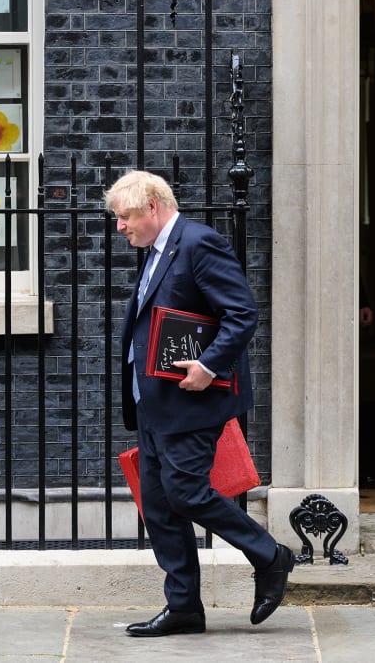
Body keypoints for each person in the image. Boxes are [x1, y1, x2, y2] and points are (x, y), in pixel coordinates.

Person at [104, 170, 294, 637]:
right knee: (160, 505)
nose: (119, 227)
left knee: (186, 492)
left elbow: (242, 312)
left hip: (192, 400)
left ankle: (270, 556)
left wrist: (208, 366)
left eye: (125, 217)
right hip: (154, 402)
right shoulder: (156, 251)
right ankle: (184, 606)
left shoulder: (197, 244)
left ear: (152, 206)